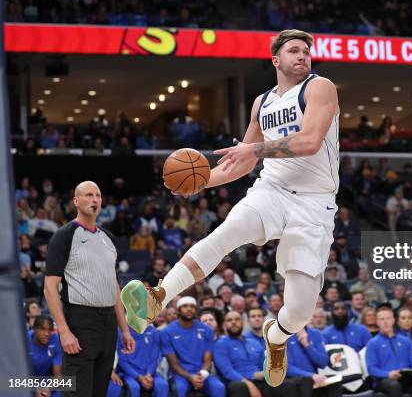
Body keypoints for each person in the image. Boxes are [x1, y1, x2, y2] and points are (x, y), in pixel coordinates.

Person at [122, 28, 340, 388]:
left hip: (315, 203)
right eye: (294, 51)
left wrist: (252, 150)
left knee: (300, 310)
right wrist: (198, 182)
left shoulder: (320, 87)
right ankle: (158, 297)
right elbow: (239, 164)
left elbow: (310, 141)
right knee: (226, 233)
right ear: (276, 60)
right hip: (271, 189)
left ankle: (277, 336)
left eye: (306, 51)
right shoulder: (262, 102)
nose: (302, 56)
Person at [43, 181, 135, 397]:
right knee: (77, 392)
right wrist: (64, 331)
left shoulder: (109, 239)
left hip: (108, 324)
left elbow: (114, 287)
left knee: (98, 392)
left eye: (98, 196)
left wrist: (124, 329)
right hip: (80, 320)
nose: (95, 200)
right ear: (76, 201)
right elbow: (49, 287)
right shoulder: (64, 235)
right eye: (88, 195)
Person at [214, 311, 299, 397]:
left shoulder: (253, 342)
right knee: (239, 387)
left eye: (237, 319)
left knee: (288, 385)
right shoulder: (221, 344)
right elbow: (227, 371)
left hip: (258, 379)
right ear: (225, 324)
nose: (233, 322)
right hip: (238, 381)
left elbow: (264, 364)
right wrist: (249, 381)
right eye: (229, 320)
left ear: (243, 322)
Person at [160, 296, 225, 397]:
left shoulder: (207, 330)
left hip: (202, 373)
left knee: (219, 387)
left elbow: (207, 360)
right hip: (179, 375)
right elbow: (174, 364)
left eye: (192, 306)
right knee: (180, 388)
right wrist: (191, 377)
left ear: (196, 310)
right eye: (185, 306)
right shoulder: (166, 332)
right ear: (178, 310)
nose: (189, 309)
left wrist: (202, 375)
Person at [365, 307, 412, 397]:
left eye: (388, 318)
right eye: (382, 319)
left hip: (406, 379)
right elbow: (371, 368)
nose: (385, 322)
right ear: (377, 322)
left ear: (393, 320)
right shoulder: (372, 343)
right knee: (394, 385)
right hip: (384, 380)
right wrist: (388, 374)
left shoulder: (405, 341)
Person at [286, 326, 341, 397]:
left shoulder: (315, 333)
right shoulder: (281, 335)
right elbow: (286, 368)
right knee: (306, 382)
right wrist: (310, 375)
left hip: (314, 381)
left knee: (335, 381)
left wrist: (307, 345)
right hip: (293, 381)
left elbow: (323, 363)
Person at [117, 325, 169, 397]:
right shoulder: (121, 332)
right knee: (133, 387)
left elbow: (154, 359)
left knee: (162, 385)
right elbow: (121, 361)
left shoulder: (154, 332)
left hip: (150, 373)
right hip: (127, 373)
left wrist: (149, 374)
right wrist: (138, 377)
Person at [28, 315, 62, 397]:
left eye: (49, 330)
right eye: (42, 329)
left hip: (48, 383)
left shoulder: (56, 340)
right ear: (34, 329)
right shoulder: (24, 340)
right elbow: (18, 373)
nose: (47, 333)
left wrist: (47, 389)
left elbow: (58, 376)